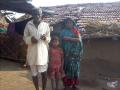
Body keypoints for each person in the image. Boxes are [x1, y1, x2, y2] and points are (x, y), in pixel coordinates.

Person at [23, 8, 51, 90]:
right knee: (34, 74)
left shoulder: (45, 25)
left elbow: (49, 39)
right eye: (35, 14)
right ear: (32, 14)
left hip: (42, 54)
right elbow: (25, 37)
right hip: (32, 53)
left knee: (44, 74)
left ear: (41, 14)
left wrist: (43, 37)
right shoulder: (28, 24)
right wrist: (30, 39)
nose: (37, 15)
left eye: (39, 14)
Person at [60, 18, 83, 90]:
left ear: (73, 24)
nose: (69, 24)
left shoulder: (76, 31)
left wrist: (69, 39)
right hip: (66, 55)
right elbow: (61, 42)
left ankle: (74, 85)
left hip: (76, 55)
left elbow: (80, 41)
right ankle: (66, 85)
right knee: (66, 69)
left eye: (70, 23)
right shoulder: (63, 32)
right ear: (65, 24)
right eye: (67, 23)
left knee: (75, 70)